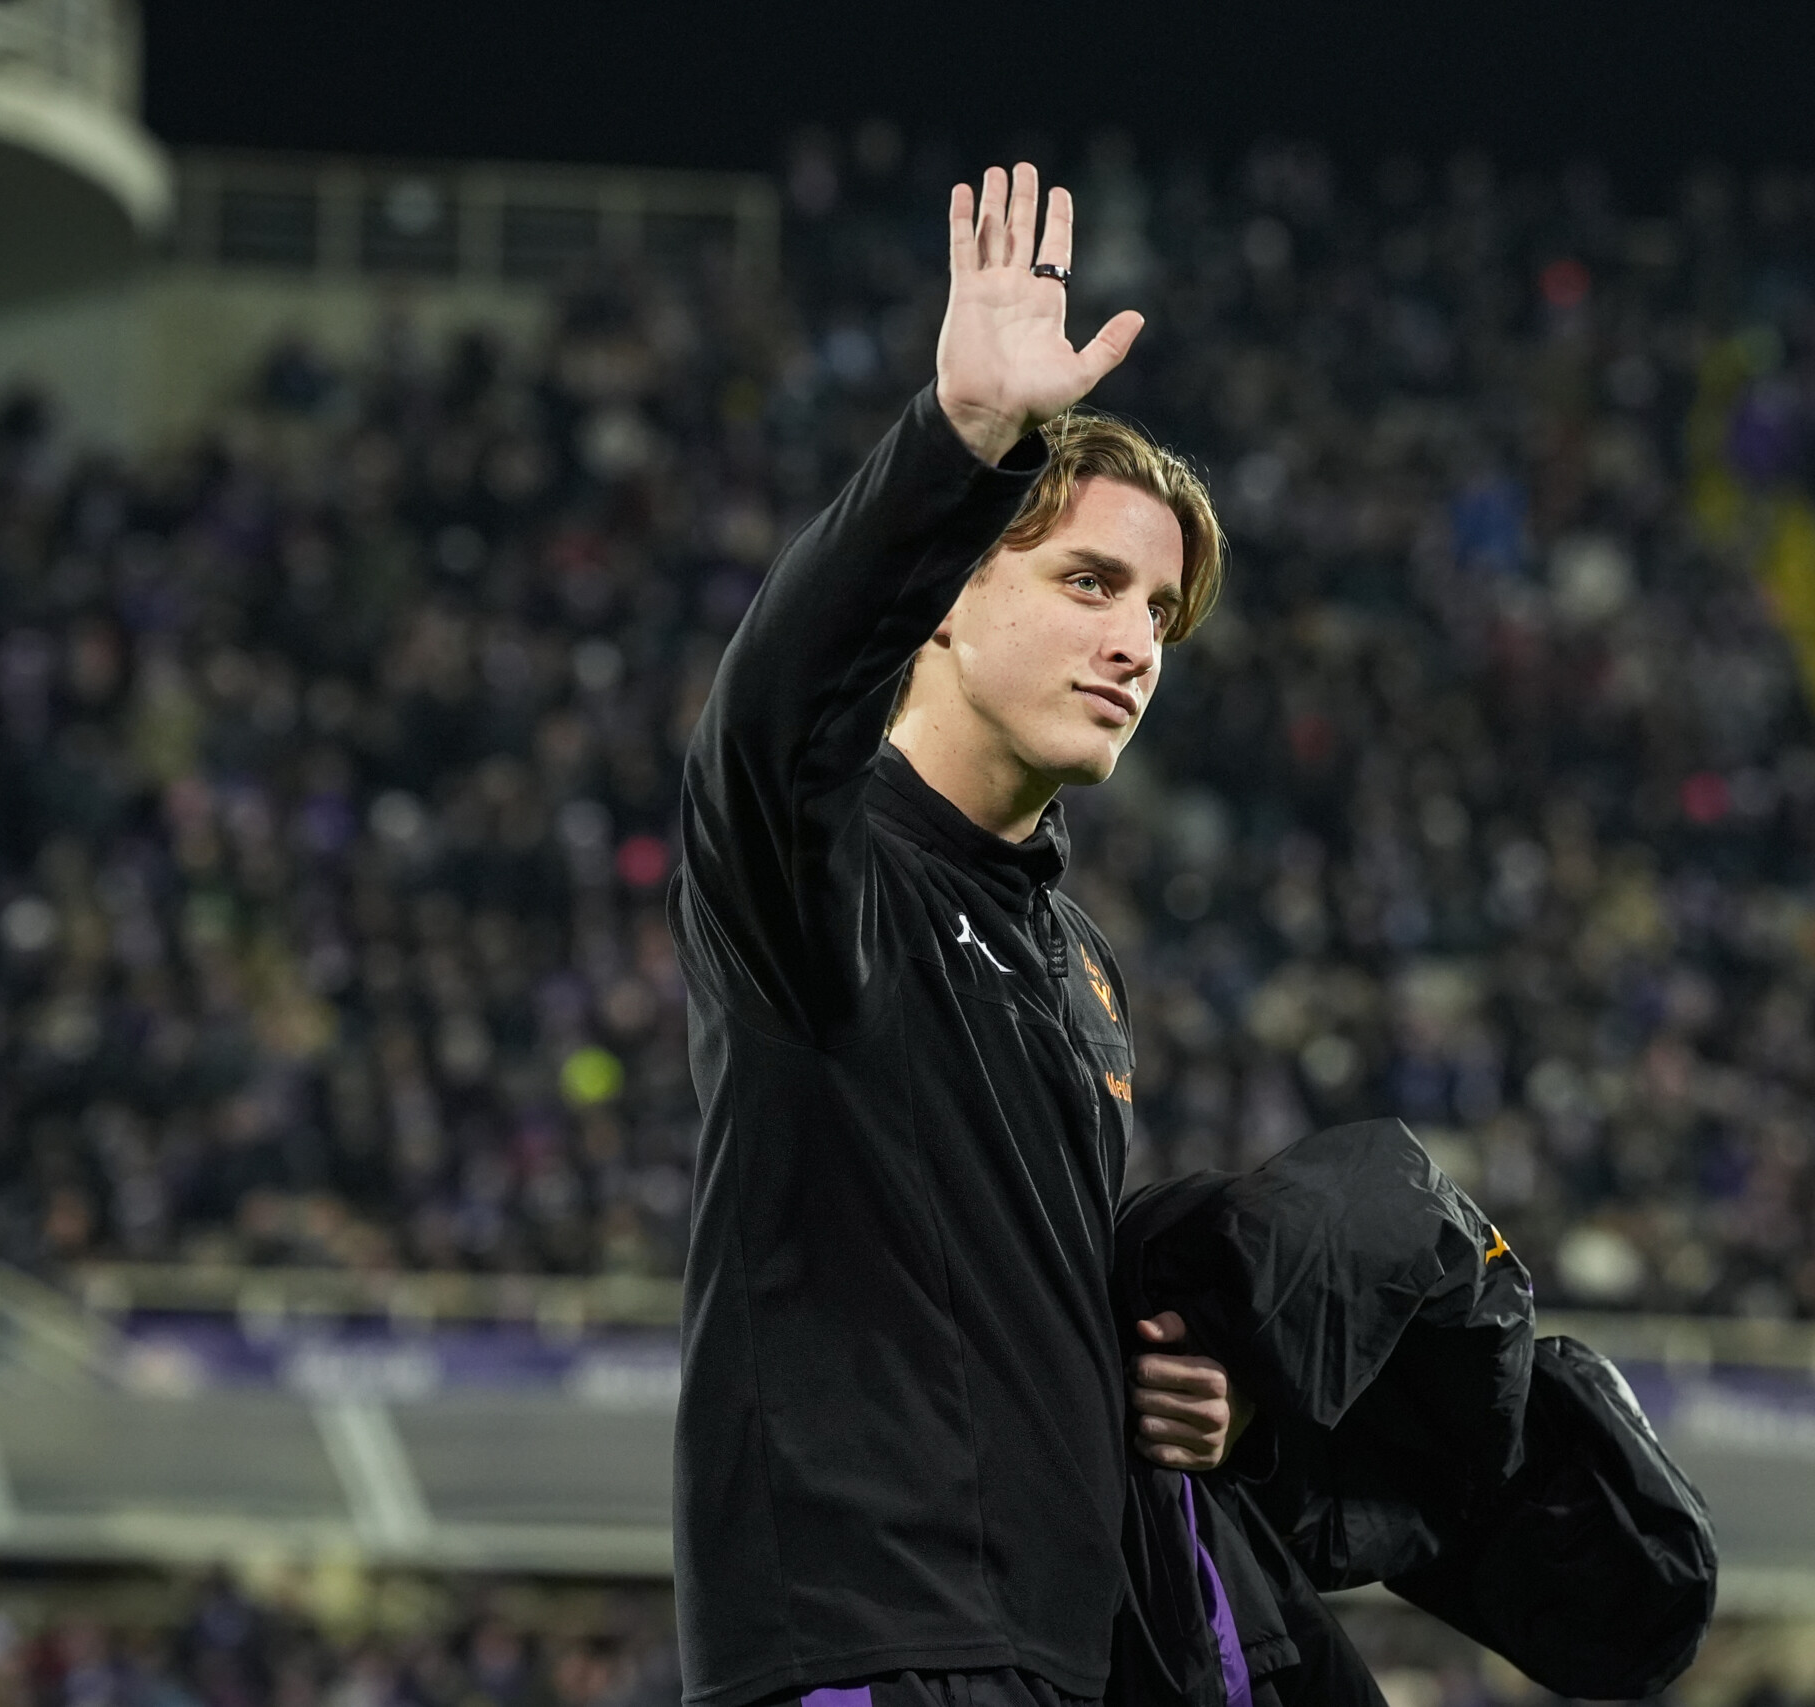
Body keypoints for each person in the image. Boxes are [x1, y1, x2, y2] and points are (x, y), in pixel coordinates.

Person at [668, 164, 1238, 1707]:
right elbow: (771, 722)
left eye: (1158, 615)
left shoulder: (1078, 961)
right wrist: (962, 443)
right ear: (940, 603)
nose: (1133, 641)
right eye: (1088, 581)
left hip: (1053, 1662)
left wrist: (1162, 1388)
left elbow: (1006, 1298)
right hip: (871, 1647)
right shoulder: (826, 868)